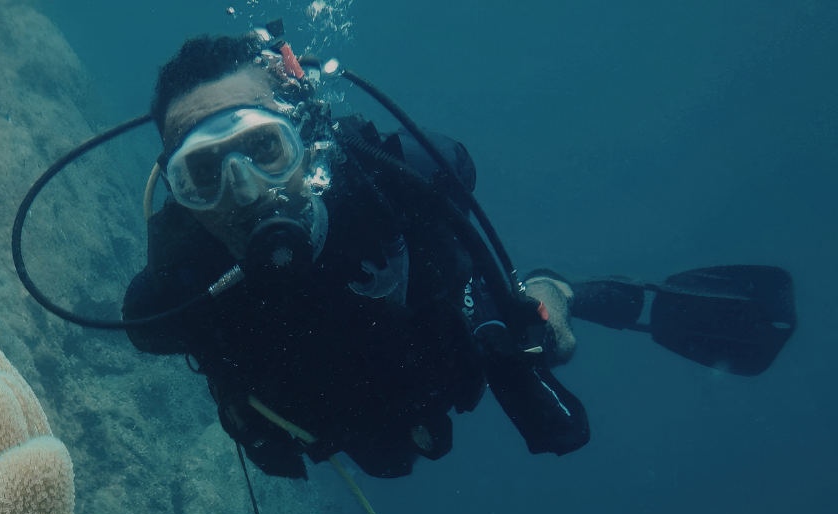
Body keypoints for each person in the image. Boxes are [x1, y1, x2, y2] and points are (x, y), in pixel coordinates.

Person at [121, 34, 591, 480]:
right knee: (385, 458)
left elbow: (457, 178)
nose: (244, 191)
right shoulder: (176, 294)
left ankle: (557, 289)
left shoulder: (395, 179)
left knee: (547, 338)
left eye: (265, 146)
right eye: (202, 173)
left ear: (302, 136)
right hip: (352, 426)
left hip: (451, 347)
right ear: (178, 192)